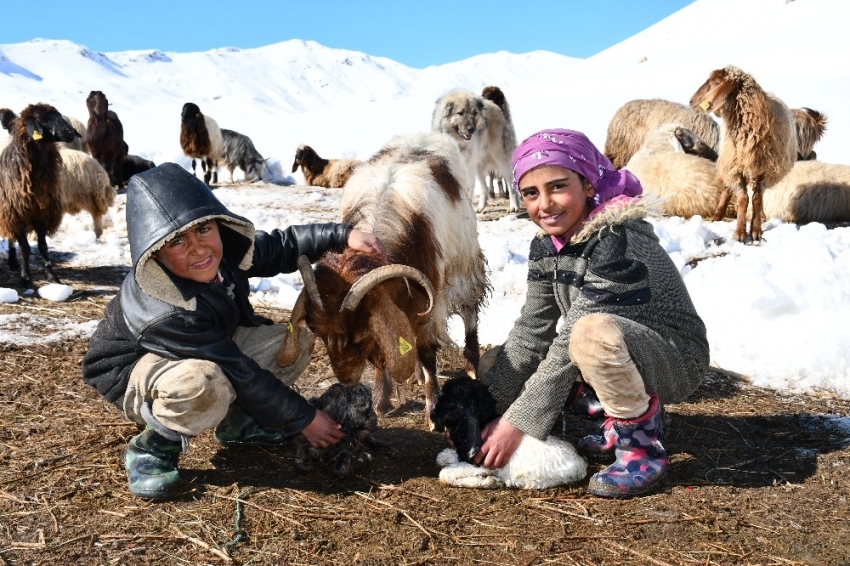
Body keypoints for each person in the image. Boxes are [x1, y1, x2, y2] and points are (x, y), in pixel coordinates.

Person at [81, 163, 384, 500]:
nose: (198, 248)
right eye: (177, 240)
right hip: (135, 372)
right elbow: (237, 371)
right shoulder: (165, 309)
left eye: (203, 229)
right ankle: (154, 447)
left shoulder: (223, 253)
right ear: (155, 252)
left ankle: (239, 423)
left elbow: (283, 246)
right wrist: (303, 418)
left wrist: (342, 235)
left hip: (209, 349)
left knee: (292, 340)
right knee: (202, 383)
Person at [473, 129, 709, 498]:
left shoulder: (618, 238)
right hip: (613, 349)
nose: (545, 204)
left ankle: (640, 446)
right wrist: (482, 410)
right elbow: (532, 331)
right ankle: (614, 414)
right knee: (497, 362)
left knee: (588, 333)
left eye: (558, 186)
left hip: (672, 356)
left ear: (587, 184)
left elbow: (569, 342)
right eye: (531, 193)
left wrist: (515, 423)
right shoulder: (548, 245)